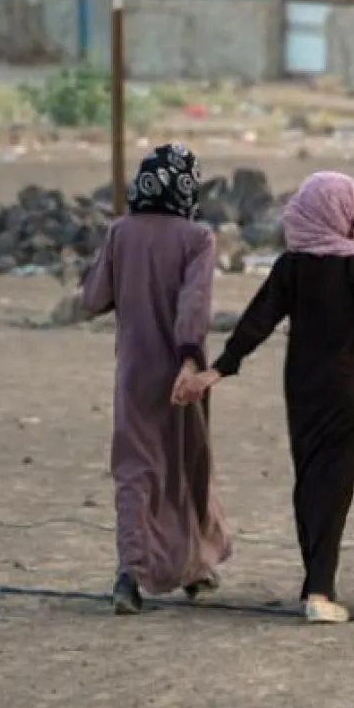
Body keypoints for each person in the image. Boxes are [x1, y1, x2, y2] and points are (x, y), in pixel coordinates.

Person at [174, 172, 354, 624]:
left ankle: (315, 582)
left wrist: (221, 368)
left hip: (302, 387)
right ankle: (319, 589)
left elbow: (257, 321)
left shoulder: (292, 264)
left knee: (310, 479)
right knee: (336, 483)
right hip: (348, 387)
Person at [78, 142, 233, 615]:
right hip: (179, 375)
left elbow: (93, 297)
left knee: (135, 472)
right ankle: (195, 565)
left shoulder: (120, 231)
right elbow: (195, 303)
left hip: (133, 375)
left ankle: (132, 573)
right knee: (186, 466)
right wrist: (189, 360)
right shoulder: (197, 237)